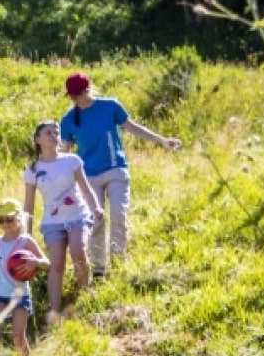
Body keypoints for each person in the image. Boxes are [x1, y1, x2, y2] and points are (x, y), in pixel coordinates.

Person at [60, 71, 183, 279]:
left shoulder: (110, 107)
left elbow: (133, 128)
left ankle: (118, 262)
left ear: (88, 90)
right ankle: (99, 268)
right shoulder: (69, 119)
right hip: (88, 177)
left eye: (77, 94)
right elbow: (64, 150)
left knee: (118, 214)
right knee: (95, 220)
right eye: (71, 96)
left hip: (116, 169)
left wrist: (162, 140)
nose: (75, 99)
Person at [24, 120, 104, 320]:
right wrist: (26, 235)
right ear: (38, 140)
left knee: (78, 251)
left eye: (56, 132)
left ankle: (84, 295)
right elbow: (28, 205)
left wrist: (96, 208)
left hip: (78, 215)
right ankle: (55, 309)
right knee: (56, 263)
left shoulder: (72, 160)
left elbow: (85, 189)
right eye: (48, 132)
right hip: (52, 222)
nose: (53, 135)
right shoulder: (33, 169)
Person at [0, 198, 44, 356]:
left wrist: (35, 262)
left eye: (9, 219)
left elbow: (47, 262)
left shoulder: (25, 241)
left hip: (20, 295)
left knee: (18, 335)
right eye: (0, 220)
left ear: (19, 218)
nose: (5, 224)